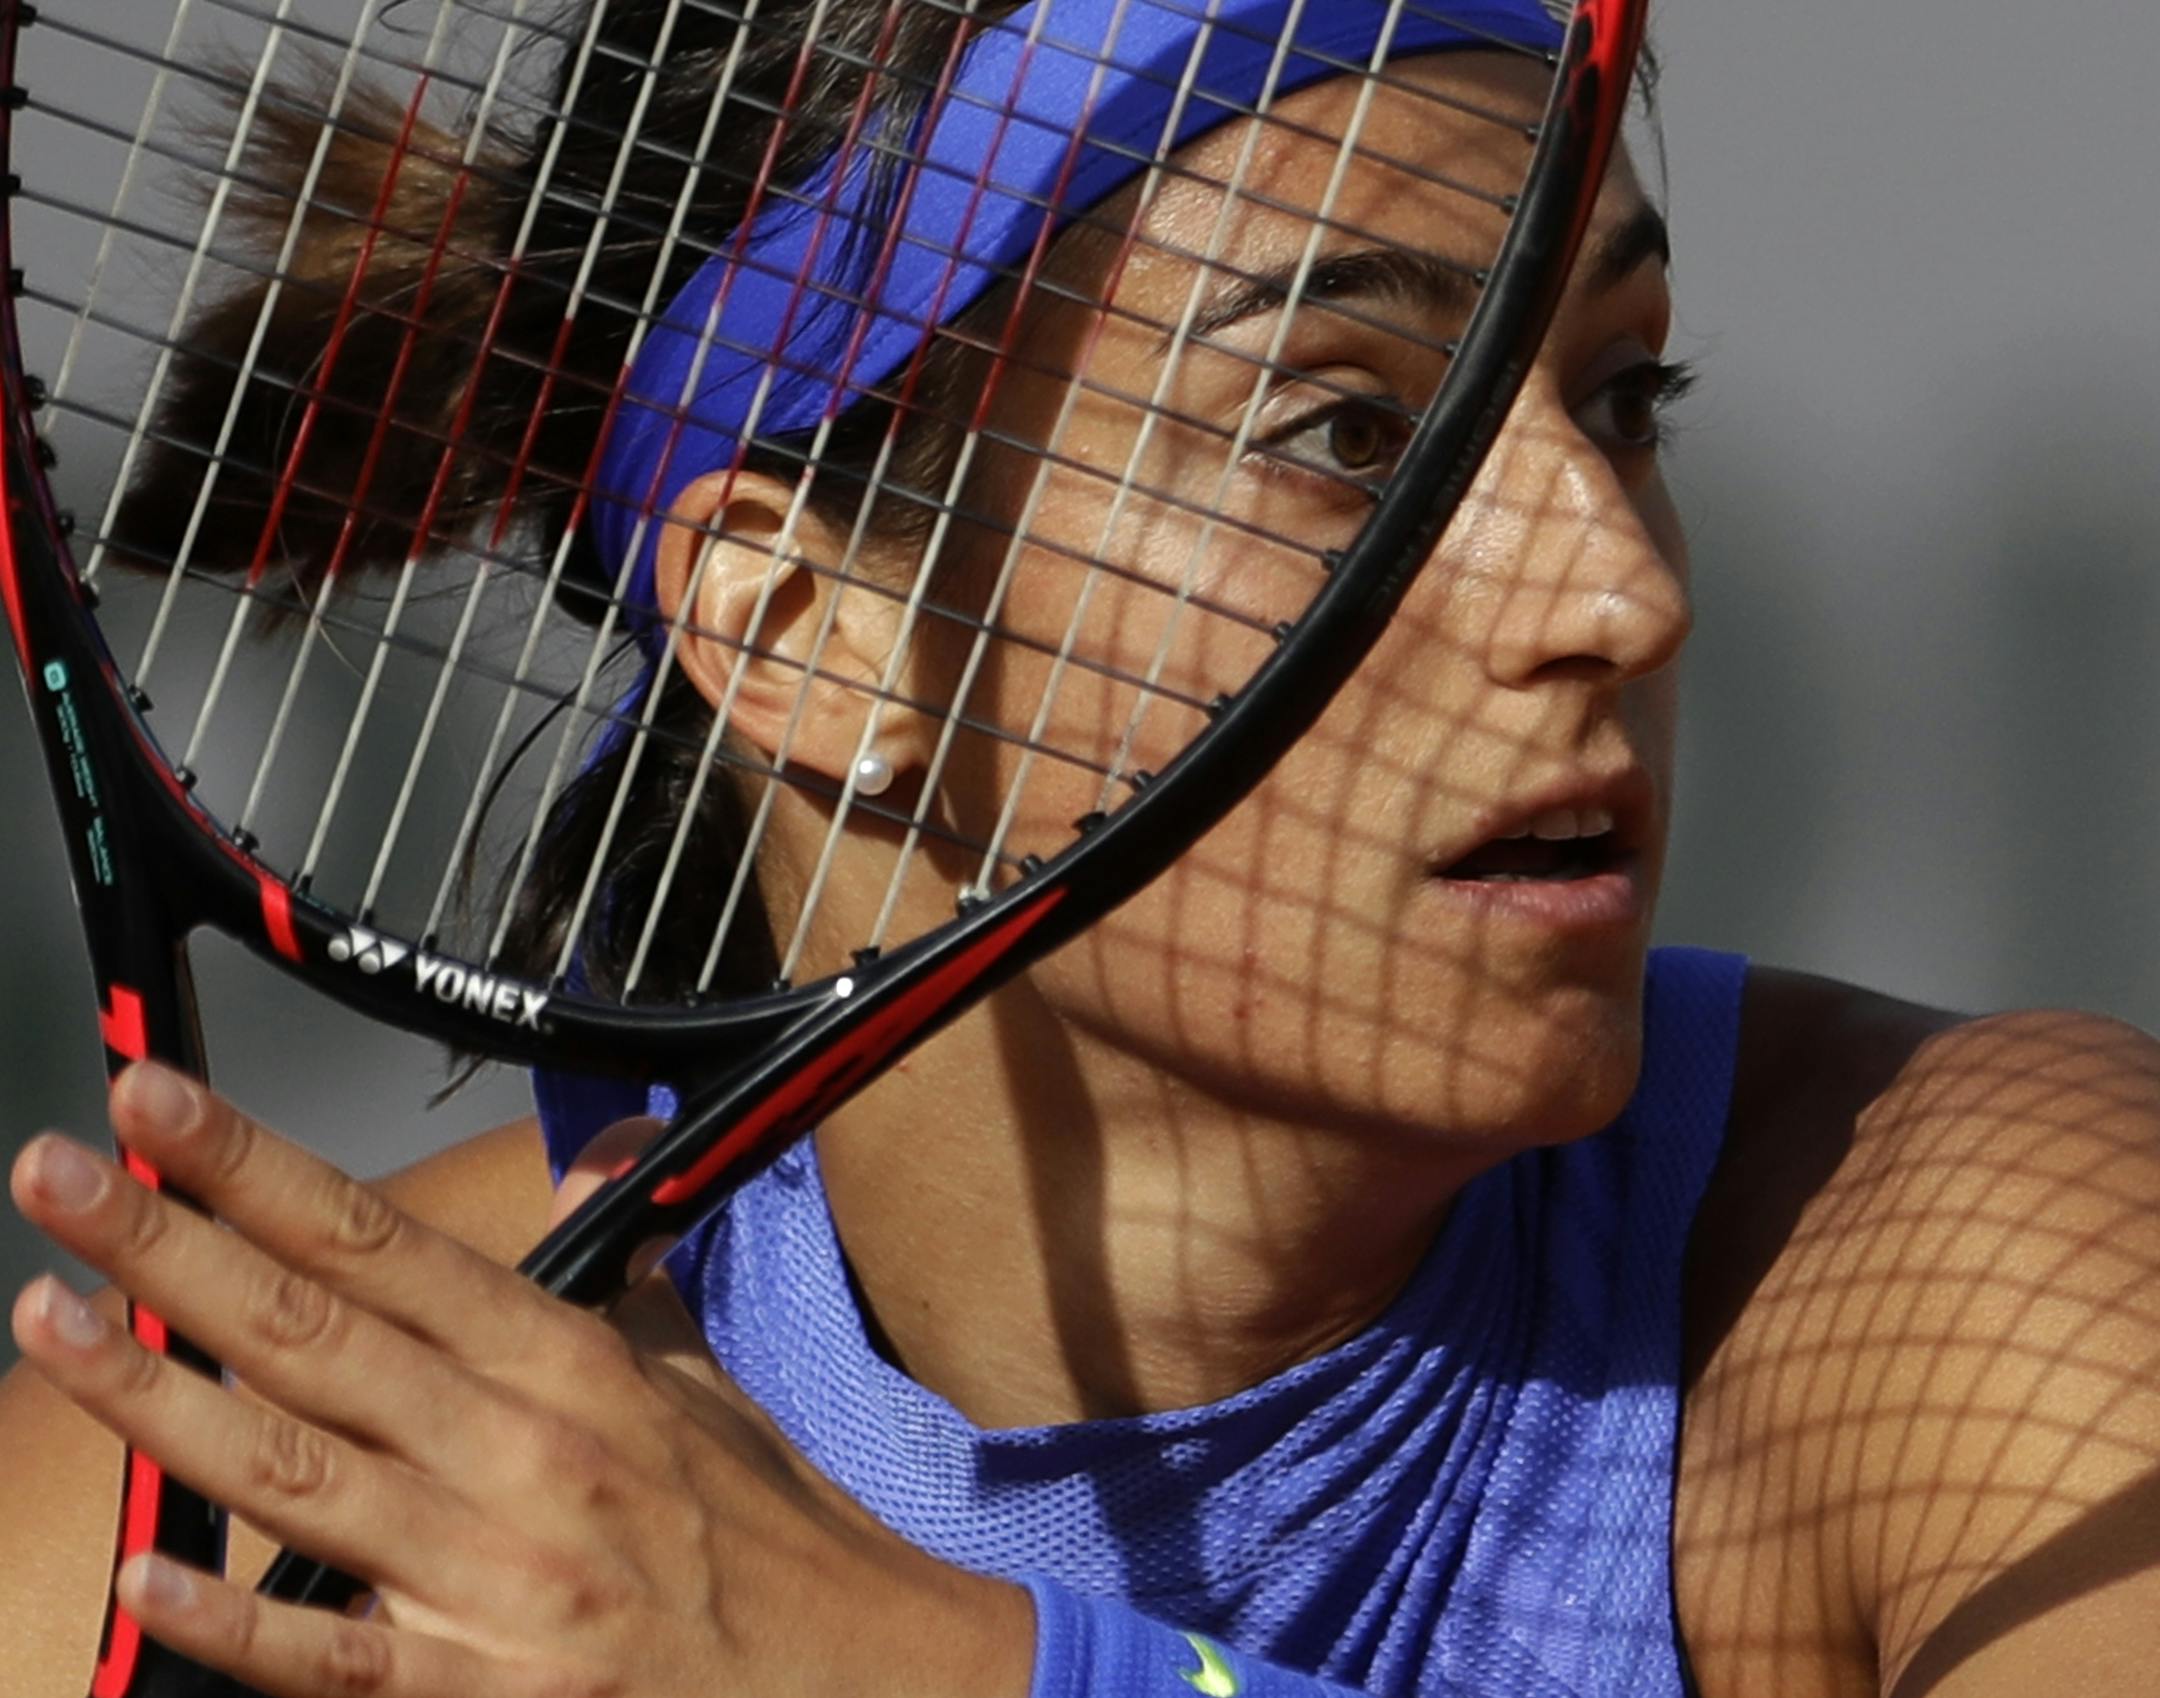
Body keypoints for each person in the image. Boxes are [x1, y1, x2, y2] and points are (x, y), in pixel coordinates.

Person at [5, 2, 2159, 1695]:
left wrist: (922, 1669)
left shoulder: (2004, 1259)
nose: (1620, 589)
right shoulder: (156, 1500)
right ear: (802, 630)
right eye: (1347, 430)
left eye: (1620, 398)